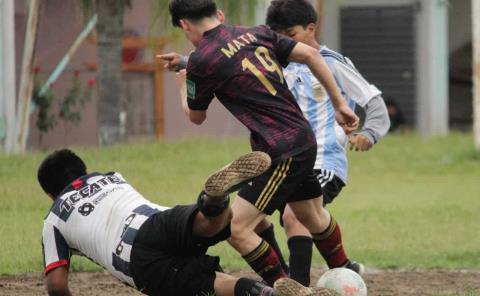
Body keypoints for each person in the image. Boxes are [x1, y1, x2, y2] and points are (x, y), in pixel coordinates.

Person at [159, 0, 360, 287]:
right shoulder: (257, 33)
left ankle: (286, 291)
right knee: (313, 216)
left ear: (184, 25)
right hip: (303, 139)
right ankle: (348, 275)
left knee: (235, 228)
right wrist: (340, 105)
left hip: (279, 152)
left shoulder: (202, 61)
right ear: (219, 15)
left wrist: (182, 86)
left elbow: (196, 117)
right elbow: (313, 56)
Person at [39, 149, 336, 296]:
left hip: (136, 259)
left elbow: (56, 283)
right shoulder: (110, 177)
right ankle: (213, 202)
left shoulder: (53, 218)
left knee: (213, 284)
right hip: (155, 219)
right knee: (205, 225)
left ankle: (268, 295)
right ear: (83, 170)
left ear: (51, 193)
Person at [254, 0, 391, 286]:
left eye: (290, 35)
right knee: (247, 220)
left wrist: (370, 133)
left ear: (311, 28)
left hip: (323, 161)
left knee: (295, 215)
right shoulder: (275, 64)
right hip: (283, 162)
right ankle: (341, 268)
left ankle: (296, 286)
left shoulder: (331, 62)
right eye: (278, 37)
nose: (284, 43)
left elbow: (374, 102)